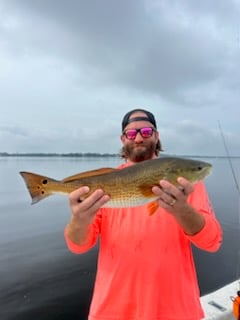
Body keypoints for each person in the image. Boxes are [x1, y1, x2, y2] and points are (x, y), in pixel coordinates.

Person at [64, 108, 222, 320]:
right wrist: (79, 220)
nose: (138, 137)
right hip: (112, 311)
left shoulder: (187, 187)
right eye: (131, 133)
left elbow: (212, 242)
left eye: (146, 131)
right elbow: (78, 245)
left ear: (156, 136)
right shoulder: (105, 185)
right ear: (123, 139)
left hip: (176, 311)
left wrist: (183, 210)